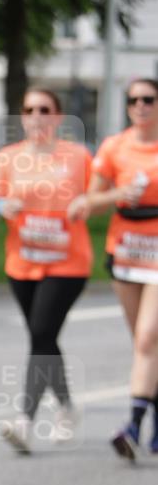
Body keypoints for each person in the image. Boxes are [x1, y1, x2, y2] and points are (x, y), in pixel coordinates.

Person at [0, 88, 93, 453]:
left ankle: (25, 420)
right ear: (22, 117)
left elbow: (99, 194)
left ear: (58, 117)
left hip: (68, 262)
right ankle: (67, 407)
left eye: (44, 109)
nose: (36, 116)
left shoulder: (76, 157)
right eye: (29, 109)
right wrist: (0, 208)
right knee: (43, 339)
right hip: (22, 262)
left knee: (42, 331)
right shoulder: (8, 158)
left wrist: (85, 202)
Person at [69, 78, 158, 460]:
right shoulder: (114, 147)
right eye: (134, 100)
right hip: (125, 252)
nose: (141, 106)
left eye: (149, 99)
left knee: (146, 339)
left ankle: (134, 426)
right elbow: (94, 200)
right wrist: (116, 196)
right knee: (145, 345)